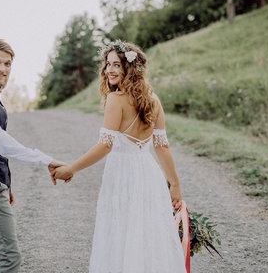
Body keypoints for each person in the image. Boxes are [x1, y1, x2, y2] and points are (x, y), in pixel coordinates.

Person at [53, 40, 186, 273]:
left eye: (117, 65)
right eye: (107, 64)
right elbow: (161, 147)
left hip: (123, 174)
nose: (109, 70)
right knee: (146, 234)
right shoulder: (153, 100)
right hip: (149, 174)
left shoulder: (116, 100)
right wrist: (175, 185)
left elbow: (106, 146)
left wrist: (71, 168)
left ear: (130, 68)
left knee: (122, 232)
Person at [0, 39, 64, 273]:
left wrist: (4, 183)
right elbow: (3, 144)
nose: (3, 69)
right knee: (8, 259)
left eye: (7, 64)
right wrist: (44, 159)